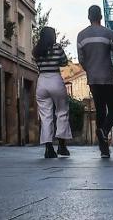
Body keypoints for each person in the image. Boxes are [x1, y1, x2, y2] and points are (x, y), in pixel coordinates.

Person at [77, 5, 113, 158]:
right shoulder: (110, 33)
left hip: (93, 79)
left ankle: (104, 150)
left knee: (100, 111)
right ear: (101, 16)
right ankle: (104, 131)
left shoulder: (81, 36)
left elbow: (81, 59)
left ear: (89, 17)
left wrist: (89, 70)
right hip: (108, 77)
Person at [33, 25, 72, 158]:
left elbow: (38, 63)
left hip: (42, 80)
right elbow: (65, 62)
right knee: (62, 112)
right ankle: (62, 145)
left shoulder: (36, 50)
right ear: (52, 36)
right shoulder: (57, 48)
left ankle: (48, 148)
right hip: (55, 79)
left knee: (45, 115)